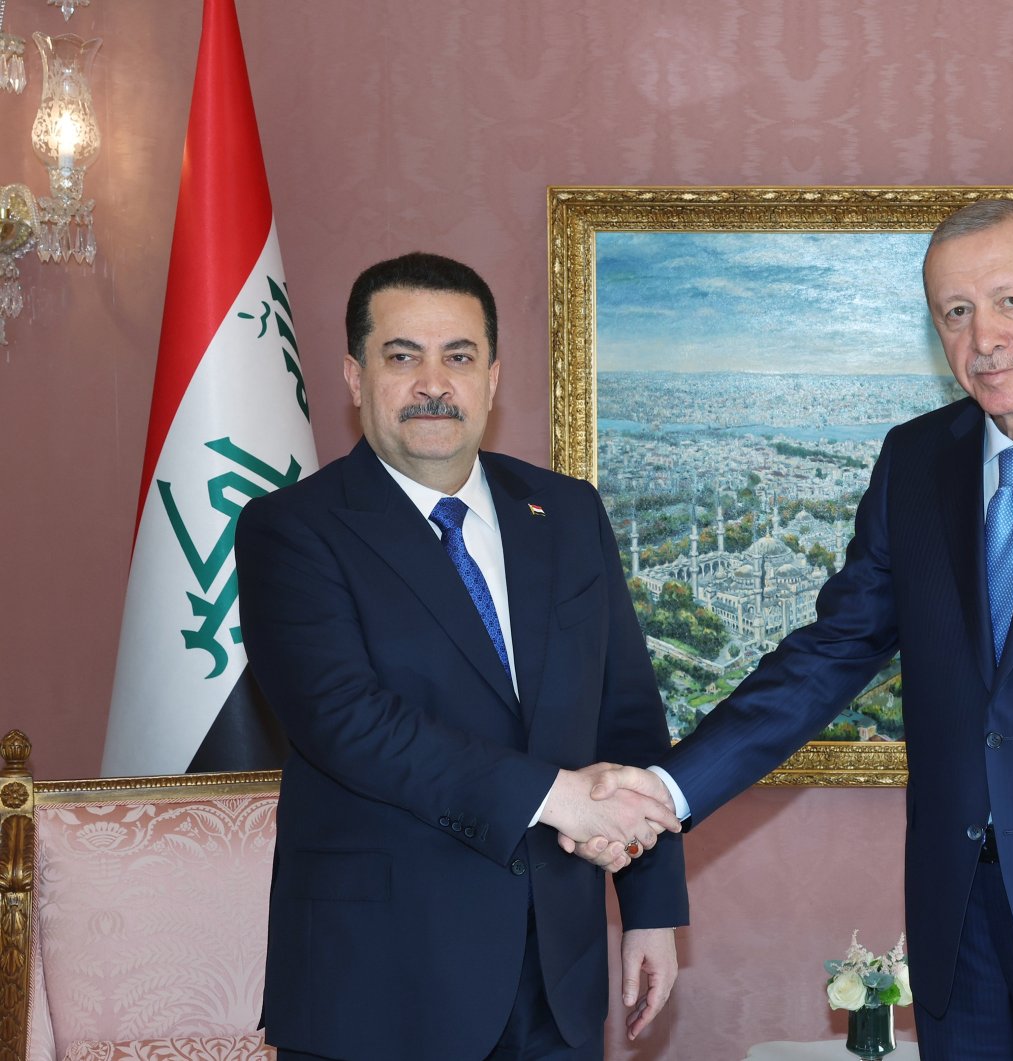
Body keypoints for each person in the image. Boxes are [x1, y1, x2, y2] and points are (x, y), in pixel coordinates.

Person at [581, 200, 1013, 1059]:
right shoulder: (915, 462)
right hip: (961, 934)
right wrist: (668, 789)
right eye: (956, 312)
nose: (983, 337)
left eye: (1009, 301)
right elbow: (828, 655)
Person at [235, 252, 686, 1061]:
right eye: (402, 355)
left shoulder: (568, 513)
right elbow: (348, 722)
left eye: (459, 356)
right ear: (353, 374)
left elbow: (628, 717)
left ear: (493, 377)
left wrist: (649, 906)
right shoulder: (292, 531)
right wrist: (556, 797)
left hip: (558, 976)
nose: (433, 383)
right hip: (380, 985)